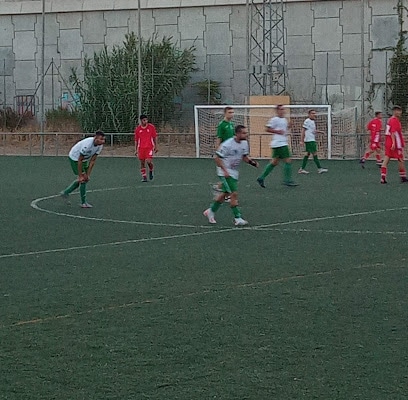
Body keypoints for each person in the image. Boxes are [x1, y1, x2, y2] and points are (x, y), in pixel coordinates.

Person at [203, 124, 259, 226]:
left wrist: (252, 163)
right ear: (237, 134)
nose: (246, 135)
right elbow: (216, 157)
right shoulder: (228, 144)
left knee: (225, 194)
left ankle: (211, 211)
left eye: (246, 133)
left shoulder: (244, 143)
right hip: (224, 171)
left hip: (233, 172)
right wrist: (224, 171)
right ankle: (237, 218)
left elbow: (244, 156)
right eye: (243, 133)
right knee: (234, 193)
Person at [60, 131, 105, 208]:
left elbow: (93, 160)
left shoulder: (100, 146)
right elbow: (79, 160)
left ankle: (65, 192)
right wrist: (81, 175)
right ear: (95, 138)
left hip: (84, 159)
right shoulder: (87, 145)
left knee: (85, 178)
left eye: (104, 139)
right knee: (83, 179)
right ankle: (83, 203)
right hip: (75, 158)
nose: (102, 141)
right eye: (101, 139)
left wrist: (88, 174)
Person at [256, 104, 298, 188]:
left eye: (283, 109)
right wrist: (277, 131)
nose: (283, 111)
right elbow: (267, 128)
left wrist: (290, 126)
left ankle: (261, 177)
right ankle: (287, 180)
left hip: (279, 143)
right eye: (281, 109)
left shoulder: (285, 120)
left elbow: (285, 130)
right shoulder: (274, 119)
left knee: (274, 162)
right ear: (277, 111)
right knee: (288, 161)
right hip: (280, 143)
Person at [380, 105, 408, 184]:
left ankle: (383, 177)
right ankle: (403, 177)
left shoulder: (390, 120)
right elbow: (393, 132)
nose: (399, 112)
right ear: (394, 111)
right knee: (401, 159)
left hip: (388, 143)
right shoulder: (394, 120)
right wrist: (394, 143)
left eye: (400, 110)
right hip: (394, 144)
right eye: (397, 110)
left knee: (386, 159)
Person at [298, 109, 328, 174]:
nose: (314, 114)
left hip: (311, 139)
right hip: (309, 140)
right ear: (309, 114)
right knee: (314, 153)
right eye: (312, 113)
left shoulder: (312, 122)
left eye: (315, 113)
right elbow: (303, 130)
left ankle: (302, 169)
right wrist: (301, 140)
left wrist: (321, 132)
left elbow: (313, 131)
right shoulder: (307, 121)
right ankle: (319, 168)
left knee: (307, 154)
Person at [134, 114, 158, 182]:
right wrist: (135, 150)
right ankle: (144, 177)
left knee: (148, 161)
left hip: (149, 147)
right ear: (141, 121)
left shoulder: (151, 127)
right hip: (141, 148)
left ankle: (150, 170)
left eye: (146, 120)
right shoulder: (138, 129)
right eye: (144, 120)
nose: (146, 121)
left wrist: (156, 146)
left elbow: (154, 137)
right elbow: (136, 140)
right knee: (142, 162)